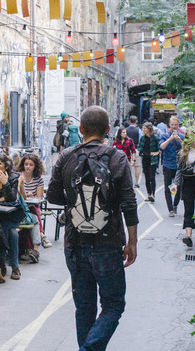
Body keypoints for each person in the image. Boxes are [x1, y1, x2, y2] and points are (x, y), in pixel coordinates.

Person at [46, 106, 139, 351]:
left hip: (75, 243)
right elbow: (129, 203)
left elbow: (53, 197)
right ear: (108, 130)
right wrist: (132, 241)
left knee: (84, 307)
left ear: (82, 130)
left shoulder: (66, 156)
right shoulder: (117, 158)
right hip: (108, 244)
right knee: (113, 305)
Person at [0, 153, 24, 280]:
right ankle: (14, 267)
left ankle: (2, 265)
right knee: (12, 234)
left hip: (11, 215)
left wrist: (5, 183)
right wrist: (1, 199)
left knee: (5, 230)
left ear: (6, 166)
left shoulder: (14, 177)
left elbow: (12, 198)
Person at [17, 154, 49, 263]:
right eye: (26, 164)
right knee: (34, 216)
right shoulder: (18, 177)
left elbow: (39, 198)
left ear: (35, 166)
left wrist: (31, 196)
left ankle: (34, 248)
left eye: (31, 165)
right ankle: (40, 236)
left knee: (34, 212)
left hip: (33, 205)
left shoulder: (38, 179)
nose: (28, 167)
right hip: (21, 206)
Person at [159, 115, 185, 217]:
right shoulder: (164, 136)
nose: (174, 126)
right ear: (169, 125)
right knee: (167, 187)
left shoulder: (182, 136)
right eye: (172, 125)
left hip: (179, 165)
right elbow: (161, 147)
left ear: (178, 125)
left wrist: (180, 141)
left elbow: (187, 149)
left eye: (175, 125)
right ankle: (170, 209)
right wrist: (170, 139)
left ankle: (175, 205)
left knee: (178, 186)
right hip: (168, 164)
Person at [138, 122, 161, 202]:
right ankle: (149, 194)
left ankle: (152, 194)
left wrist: (156, 153)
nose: (143, 130)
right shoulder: (142, 138)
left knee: (152, 177)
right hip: (145, 159)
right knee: (147, 178)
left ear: (149, 129)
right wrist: (140, 152)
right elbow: (139, 147)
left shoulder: (155, 138)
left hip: (153, 160)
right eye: (142, 128)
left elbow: (160, 147)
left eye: (144, 128)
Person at [126, 116, 142, 187]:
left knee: (127, 166)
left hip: (127, 149)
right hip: (135, 149)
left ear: (129, 121)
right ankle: (136, 182)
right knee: (137, 166)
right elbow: (141, 139)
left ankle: (128, 181)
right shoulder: (138, 130)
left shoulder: (125, 130)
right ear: (136, 122)